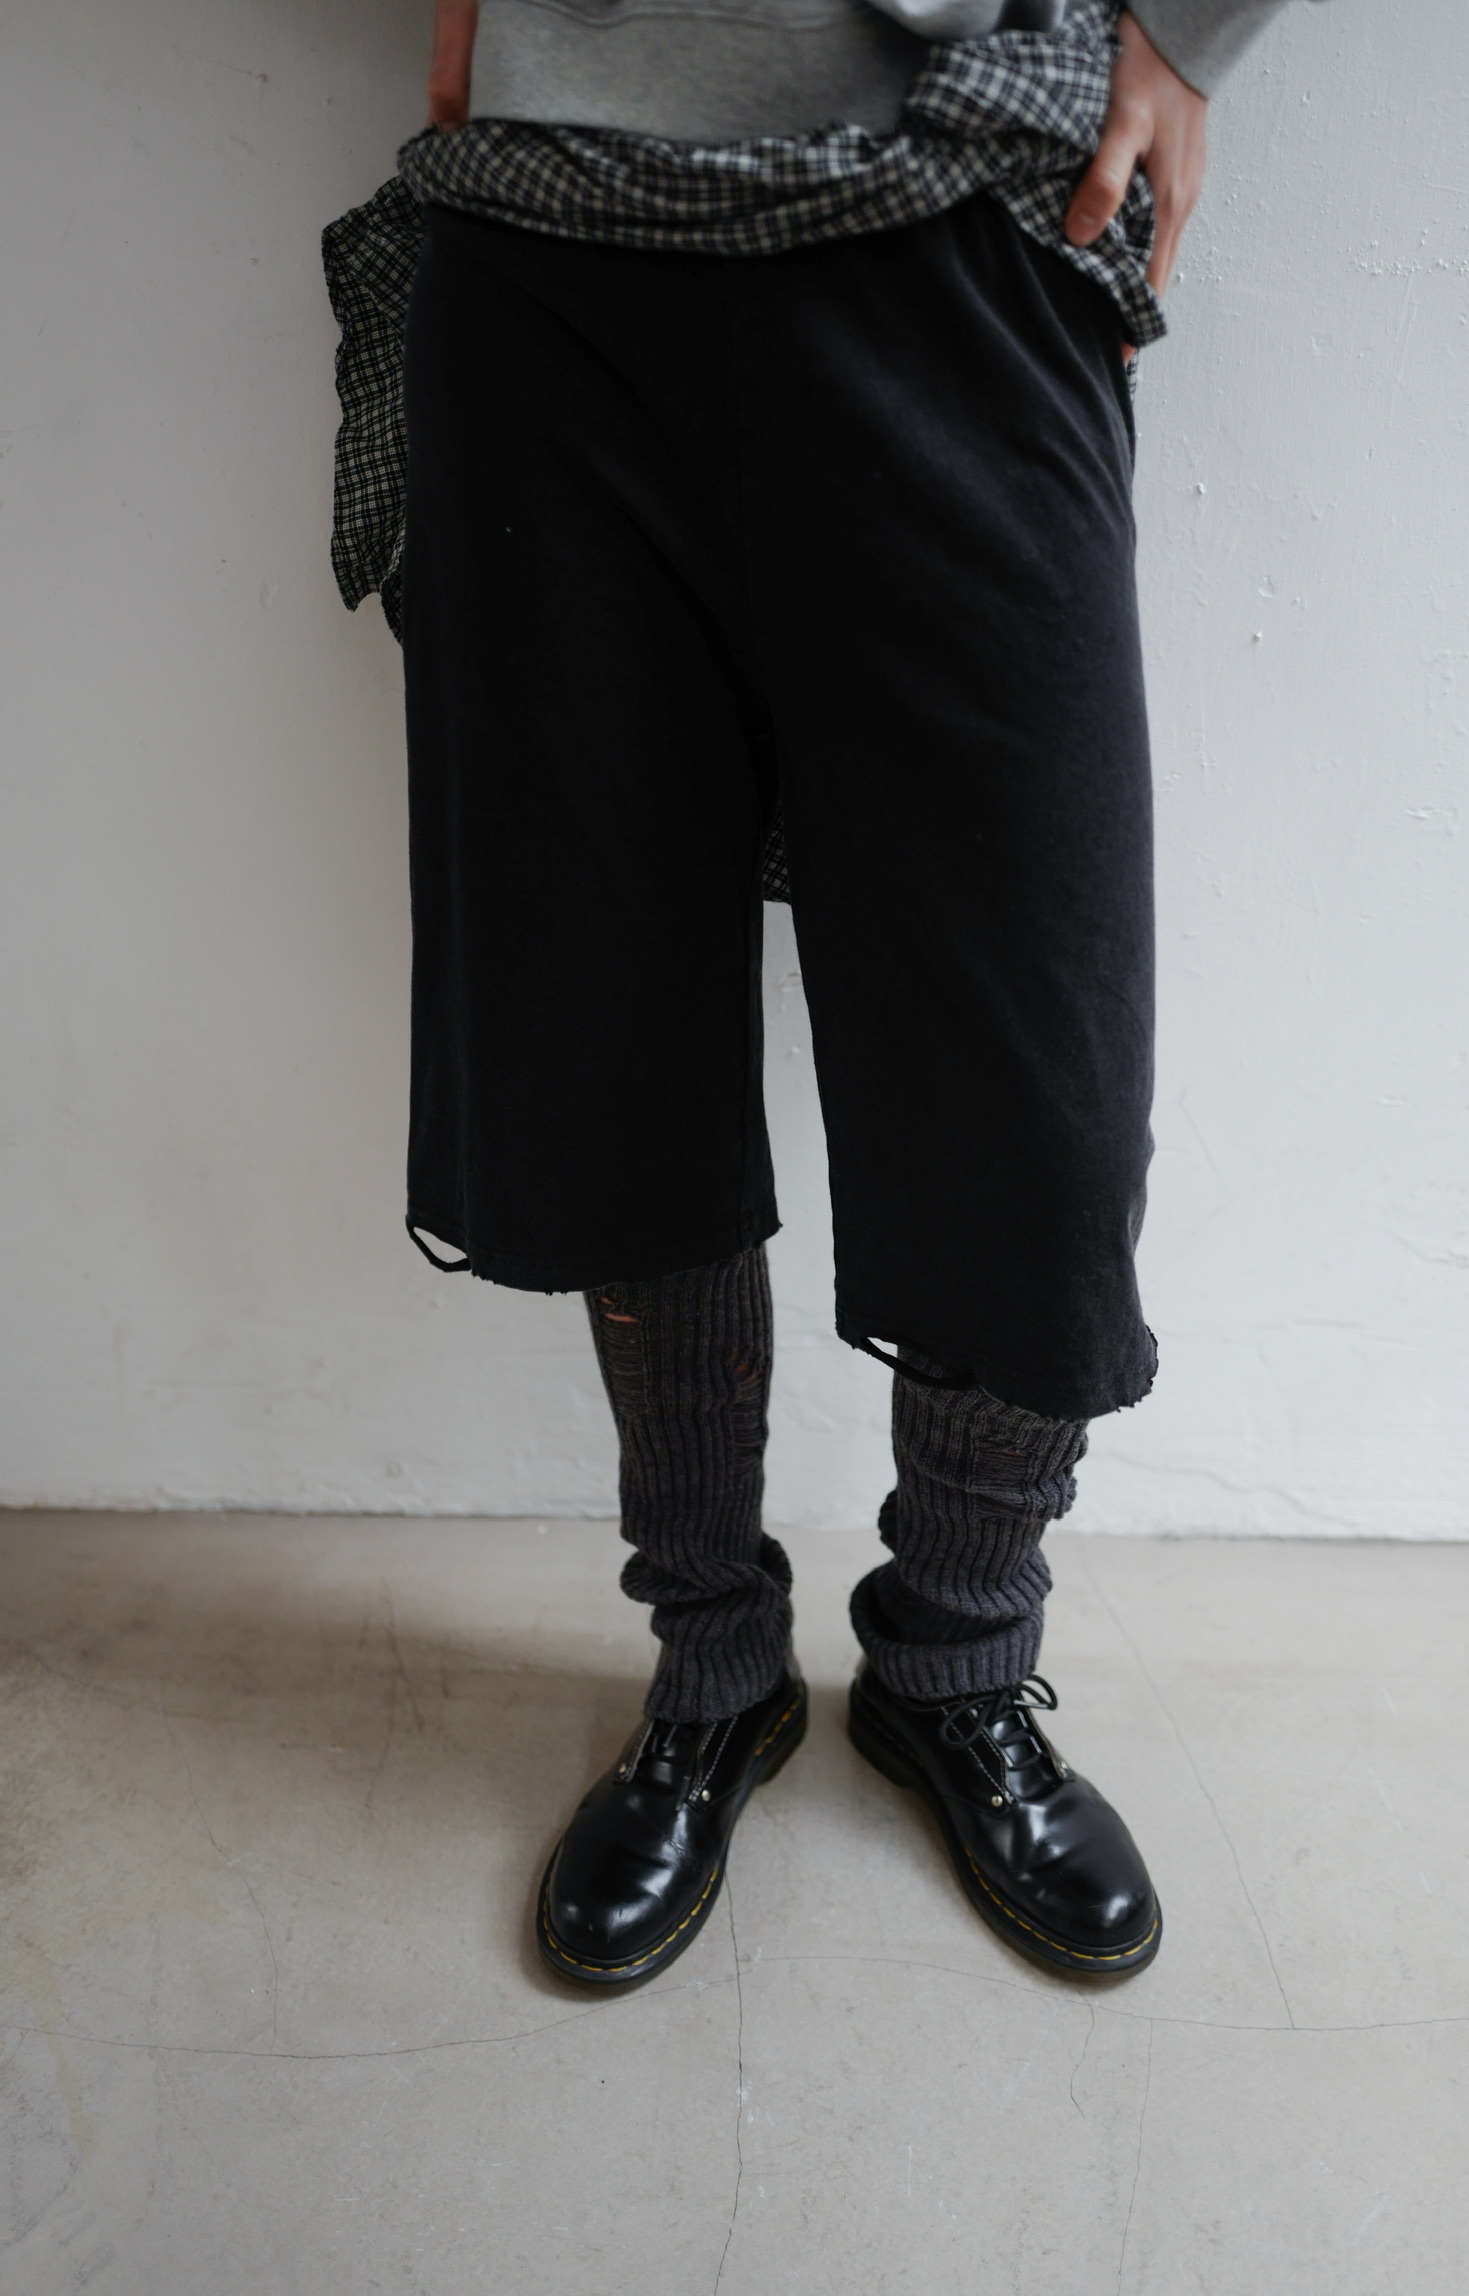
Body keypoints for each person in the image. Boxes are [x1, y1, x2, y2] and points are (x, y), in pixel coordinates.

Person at [375, 0, 1318, 1989]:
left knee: (1029, 1069)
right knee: (599, 1028)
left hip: (966, 208)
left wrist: (1184, 31)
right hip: (551, 241)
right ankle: (711, 1669)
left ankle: (959, 1661)